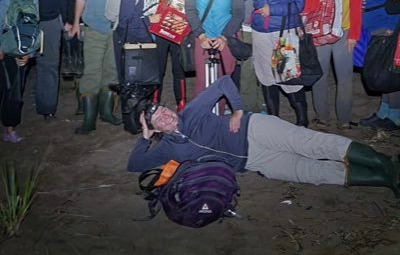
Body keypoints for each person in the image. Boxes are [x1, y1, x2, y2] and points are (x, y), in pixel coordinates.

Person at [127, 75, 400, 198]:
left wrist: (237, 110)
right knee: (310, 172)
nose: (166, 115)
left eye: (164, 109)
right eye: (158, 119)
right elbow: (135, 165)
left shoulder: (192, 111)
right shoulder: (168, 150)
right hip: (253, 161)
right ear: (157, 130)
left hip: (254, 128)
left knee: (312, 144)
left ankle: (386, 163)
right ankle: (388, 179)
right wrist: (144, 136)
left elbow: (223, 82)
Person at [71, 0, 138, 134]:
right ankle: (89, 119)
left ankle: (107, 112)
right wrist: (75, 22)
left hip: (119, 27)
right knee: (91, 71)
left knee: (112, 72)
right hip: (93, 24)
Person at [243, 0, 308, 126]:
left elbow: (299, 3)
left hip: (283, 32)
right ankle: (274, 122)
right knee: (265, 77)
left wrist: (273, 9)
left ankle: (303, 122)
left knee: (288, 78)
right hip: (260, 32)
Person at [302, 0, 362, 129]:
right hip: (319, 34)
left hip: (343, 32)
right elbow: (302, 6)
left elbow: (355, 3)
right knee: (320, 77)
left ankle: (344, 119)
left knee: (345, 78)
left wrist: (354, 35)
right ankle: (322, 117)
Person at [185, 0, 244, 113]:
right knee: (203, 82)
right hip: (202, 37)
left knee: (223, 79)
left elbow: (238, 12)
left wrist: (224, 37)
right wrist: (201, 35)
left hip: (226, 36)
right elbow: (190, 9)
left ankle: (221, 115)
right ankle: (202, 118)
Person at [356, 0, 400, 130]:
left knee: (388, 71)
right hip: (373, 24)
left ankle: (394, 116)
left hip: (386, 23)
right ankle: (384, 111)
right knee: (383, 69)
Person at [0, 0, 37, 142]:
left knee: (14, 90)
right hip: (2, 45)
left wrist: (29, 52)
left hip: (18, 48)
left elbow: (34, 22)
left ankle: (9, 129)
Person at [226, 0, 264, 111]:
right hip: (244, 26)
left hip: (265, 26)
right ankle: (250, 107)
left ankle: (263, 103)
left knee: (265, 67)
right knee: (247, 69)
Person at [64, 0, 94, 114]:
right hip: (74, 22)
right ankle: (82, 104)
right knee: (77, 65)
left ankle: (94, 102)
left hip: (96, 22)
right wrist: (67, 21)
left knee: (95, 64)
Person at [157, 0, 189, 109]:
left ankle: (182, 103)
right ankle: (154, 103)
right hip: (158, 30)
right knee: (158, 68)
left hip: (178, 29)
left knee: (179, 67)